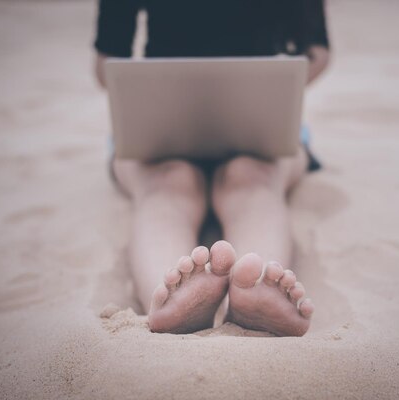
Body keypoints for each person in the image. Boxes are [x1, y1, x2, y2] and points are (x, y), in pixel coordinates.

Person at [93, 0, 330, 336]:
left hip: (258, 123)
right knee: (173, 181)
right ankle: (184, 301)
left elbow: (316, 53)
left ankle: (250, 293)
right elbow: (108, 65)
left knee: (247, 177)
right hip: (161, 125)